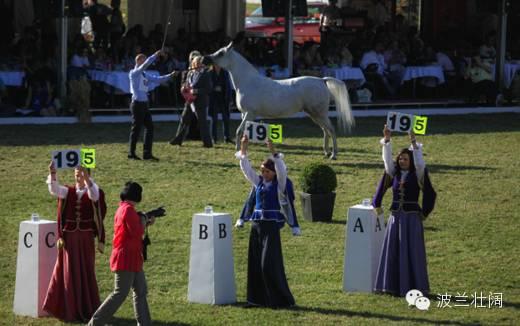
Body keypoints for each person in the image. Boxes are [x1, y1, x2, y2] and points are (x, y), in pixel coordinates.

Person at [235, 135, 301, 308]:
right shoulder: (258, 182)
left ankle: (280, 300)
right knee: (255, 264)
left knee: (268, 264)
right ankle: (256, 300)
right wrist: (243, 148)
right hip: (256, 226)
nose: (263, 174)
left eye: (267, 171)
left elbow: (281, 169)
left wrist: (273, 151)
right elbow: (246, 169)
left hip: (271, 227)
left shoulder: (279, 184)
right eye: (262, 170)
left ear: (273, 173)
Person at [372, 125, 436, 297]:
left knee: (412, 252)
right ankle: (392, 286)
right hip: (396, 218)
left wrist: (413, 142)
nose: (402, 161)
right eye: (400, 159)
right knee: (393, 250)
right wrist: (386, 140)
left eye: (405, 159)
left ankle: (414, 286)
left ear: (411, 161)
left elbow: (421, 163)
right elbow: (387, 163)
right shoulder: (395, 173)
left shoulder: (418, 173)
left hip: (411, 219)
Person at [43, 162, 107, 322]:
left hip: (85, 238)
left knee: (85, 270)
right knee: (69, 270)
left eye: (81, 172)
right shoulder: (68, 191)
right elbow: (54, 189)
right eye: (76, 172)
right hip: (70, 238)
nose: (77, 175)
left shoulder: (94, 189)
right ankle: (69, 307)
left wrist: (87, 178)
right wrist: (53, 173)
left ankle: (87, 306)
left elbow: (95, 196)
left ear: (87, 173)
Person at [88, 181, 155, 326]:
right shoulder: (129, 210)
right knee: (119, 294)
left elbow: (133, 229)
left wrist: (145, 221)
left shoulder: (123, 208)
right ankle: (94, 323)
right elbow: (136, 232)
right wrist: (144, 220)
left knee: (141, 291)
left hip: (132, 257)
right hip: (126, 258)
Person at [128, 50, 177, 161]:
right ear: (139, 61)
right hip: (137, 104)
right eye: (144, 61)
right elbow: (146, 64)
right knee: (136, 129)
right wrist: (155, 54)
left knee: (149, 127)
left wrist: (171, 75)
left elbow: (157, 80)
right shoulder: (134, 73)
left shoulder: (144, 74)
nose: (146, 63)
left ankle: (147, 154)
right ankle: (131, 153)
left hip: (144, 104)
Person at [169, 54, 213, 148]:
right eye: (196, 63)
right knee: (184, 119)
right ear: (193, 63)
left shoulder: (205, 74)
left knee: (202, 123)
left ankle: (208, 143)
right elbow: (187, 83)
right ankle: (178, 139)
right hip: (189, 101)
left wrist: (197, 91)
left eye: (199, 63)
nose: (197, 64)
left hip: (200, 102)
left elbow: (209, 89)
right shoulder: (190, 73)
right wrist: (184, 87)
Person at [208, 63, 233, 144]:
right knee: (214, 119)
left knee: (226, 119)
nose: (218, 65)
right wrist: (214, 88)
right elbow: (207, 86)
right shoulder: (209, 73)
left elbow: (228, 86)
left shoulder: (225, 72)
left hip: (223, 98)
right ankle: (214, 138)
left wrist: (230, 99)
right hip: (213, 98)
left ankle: (227, 138)